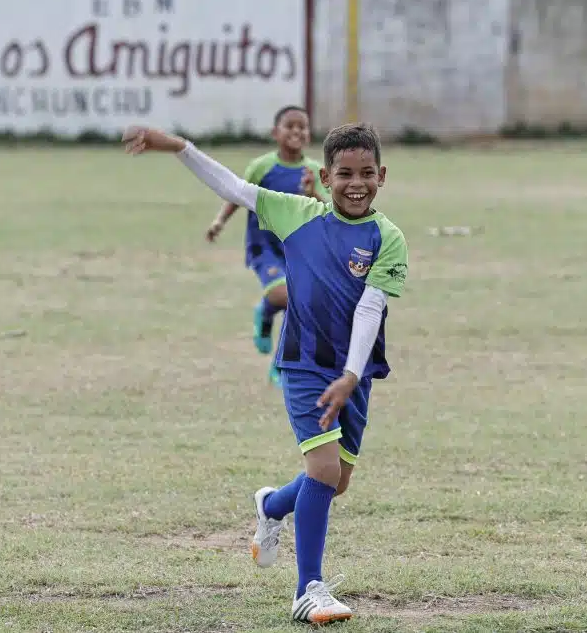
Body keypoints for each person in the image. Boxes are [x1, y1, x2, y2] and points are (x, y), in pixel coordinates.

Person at [123, 123, 408, 625]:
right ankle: (308, 590)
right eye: (344, 174)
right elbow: (232, 187)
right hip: (302, 365)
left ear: (382, 176)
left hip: (353, 376)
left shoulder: (388, 238)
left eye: (366, 173)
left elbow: (371, 308)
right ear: (325, 176)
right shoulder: (296, 214)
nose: (355, 183)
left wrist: (350, 374)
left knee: (336, 482)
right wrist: (180, 147)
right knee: (322, 472)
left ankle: (273, 506)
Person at [205, 106, 327, 386]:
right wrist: (219, 221)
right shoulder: (261, 167)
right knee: (289, 296)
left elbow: (325, 211)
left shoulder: (314, 171)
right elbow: (237, 194)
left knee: (300, 304)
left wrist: (312, 194)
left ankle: (280, 365)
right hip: (265, 248)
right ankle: (267, 310)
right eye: (290, 126)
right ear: (275, 133)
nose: (297, 131)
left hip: (298, 251)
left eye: (303, 126)